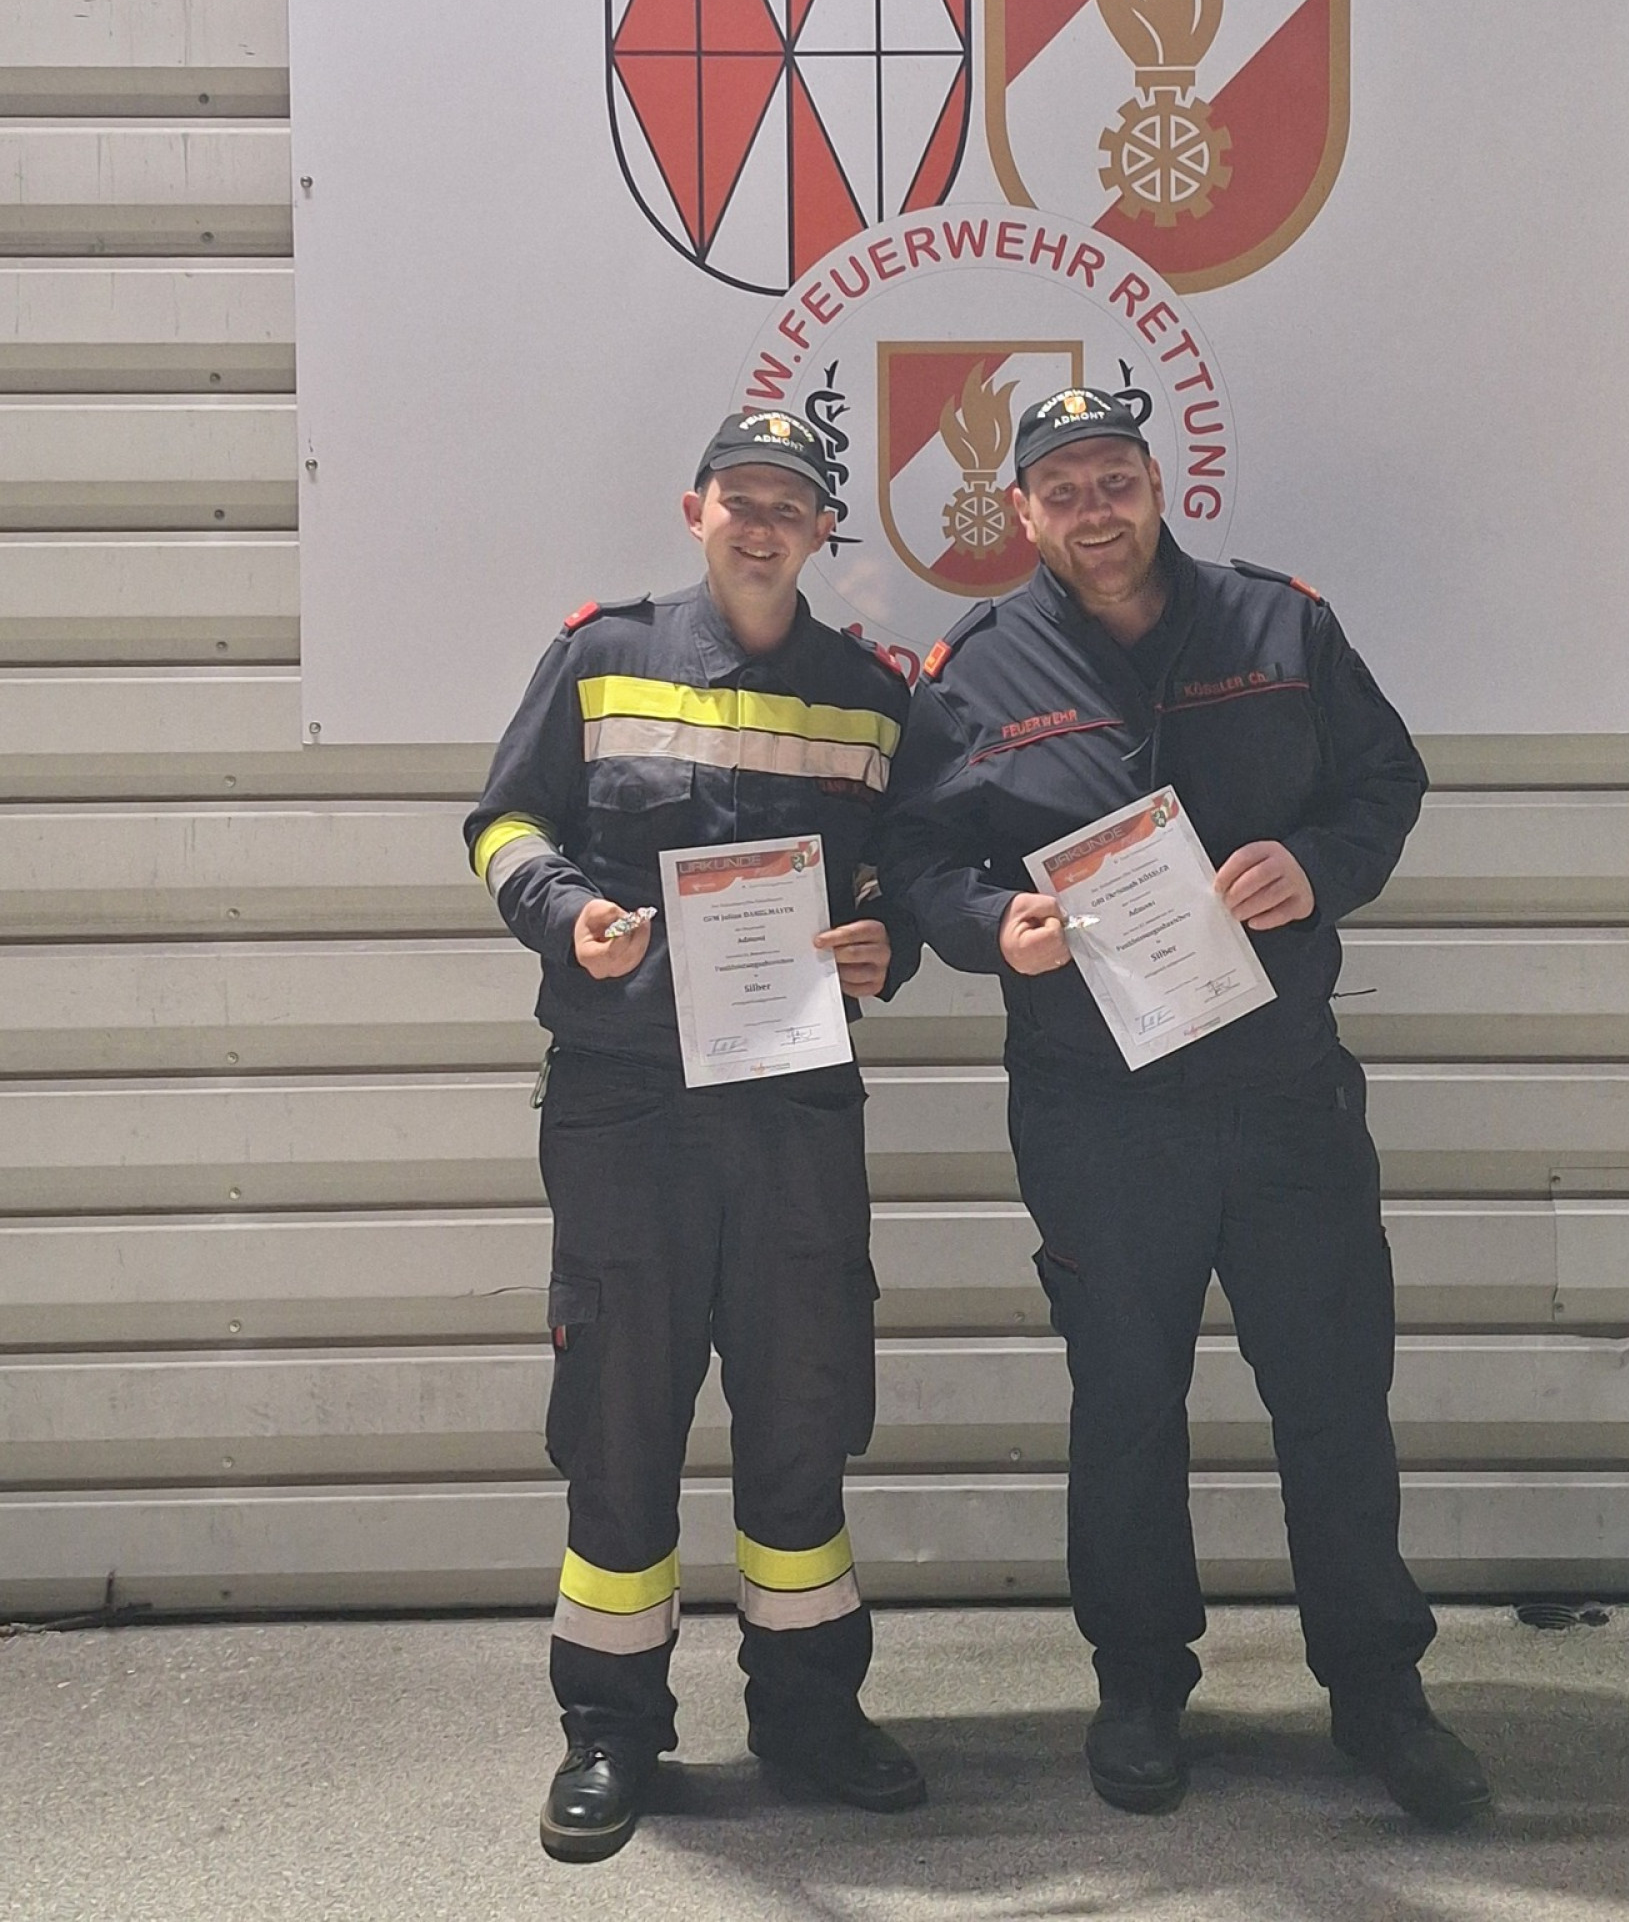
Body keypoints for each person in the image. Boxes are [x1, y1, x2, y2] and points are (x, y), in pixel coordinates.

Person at [881, 387, 1491, 1829]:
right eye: (1064, 491)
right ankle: (1142, 1684)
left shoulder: (1284, 627)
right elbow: (917, 857)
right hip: (1099, 1108)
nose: (1095, 511)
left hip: (1283, 1094)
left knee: (1333, 1396)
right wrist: (990, 925)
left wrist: (1320, 867)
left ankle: (1378, 1690)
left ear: (1159, 485)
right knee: (1126, 1402)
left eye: (1116, 480)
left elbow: (1387, 782)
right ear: (1022, 513)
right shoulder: (973, 669)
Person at [465, 408, 927, 1863]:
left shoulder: (871, 695)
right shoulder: (600, 656)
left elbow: (908, 869)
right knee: (619, 1414)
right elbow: (502, 825)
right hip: (629, 1102)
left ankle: (809, 1710)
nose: (764, 523)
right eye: (743, 497)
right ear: (697, 509)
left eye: (793, 503)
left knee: (802, 1409)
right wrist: (568, 916)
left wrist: (891, 942)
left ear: (823, 529)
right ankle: (610, 1729)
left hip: (792, 1106)